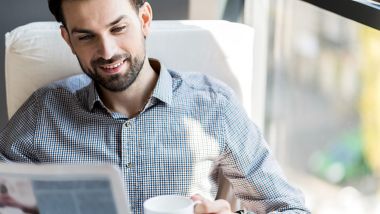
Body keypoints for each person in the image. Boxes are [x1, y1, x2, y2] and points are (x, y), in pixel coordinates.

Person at [0, 0, 310, 213]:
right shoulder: (45, 111)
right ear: (68, 40)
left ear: (145, 20)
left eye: (118, 28)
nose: (107, 51)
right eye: (86, 37)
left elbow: (290, 208)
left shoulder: (214, 106)